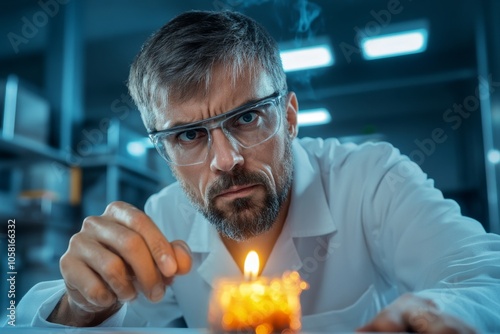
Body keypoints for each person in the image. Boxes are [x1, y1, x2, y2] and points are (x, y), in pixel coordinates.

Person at [10, 10, 500, 332]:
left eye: (246, 118)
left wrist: (442, 312)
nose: (225, 160)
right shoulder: (165, 221)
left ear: (288, 116)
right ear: (163, 152)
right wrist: (78, 307)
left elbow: (484, 276)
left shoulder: (372, 180)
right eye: (189, 135)